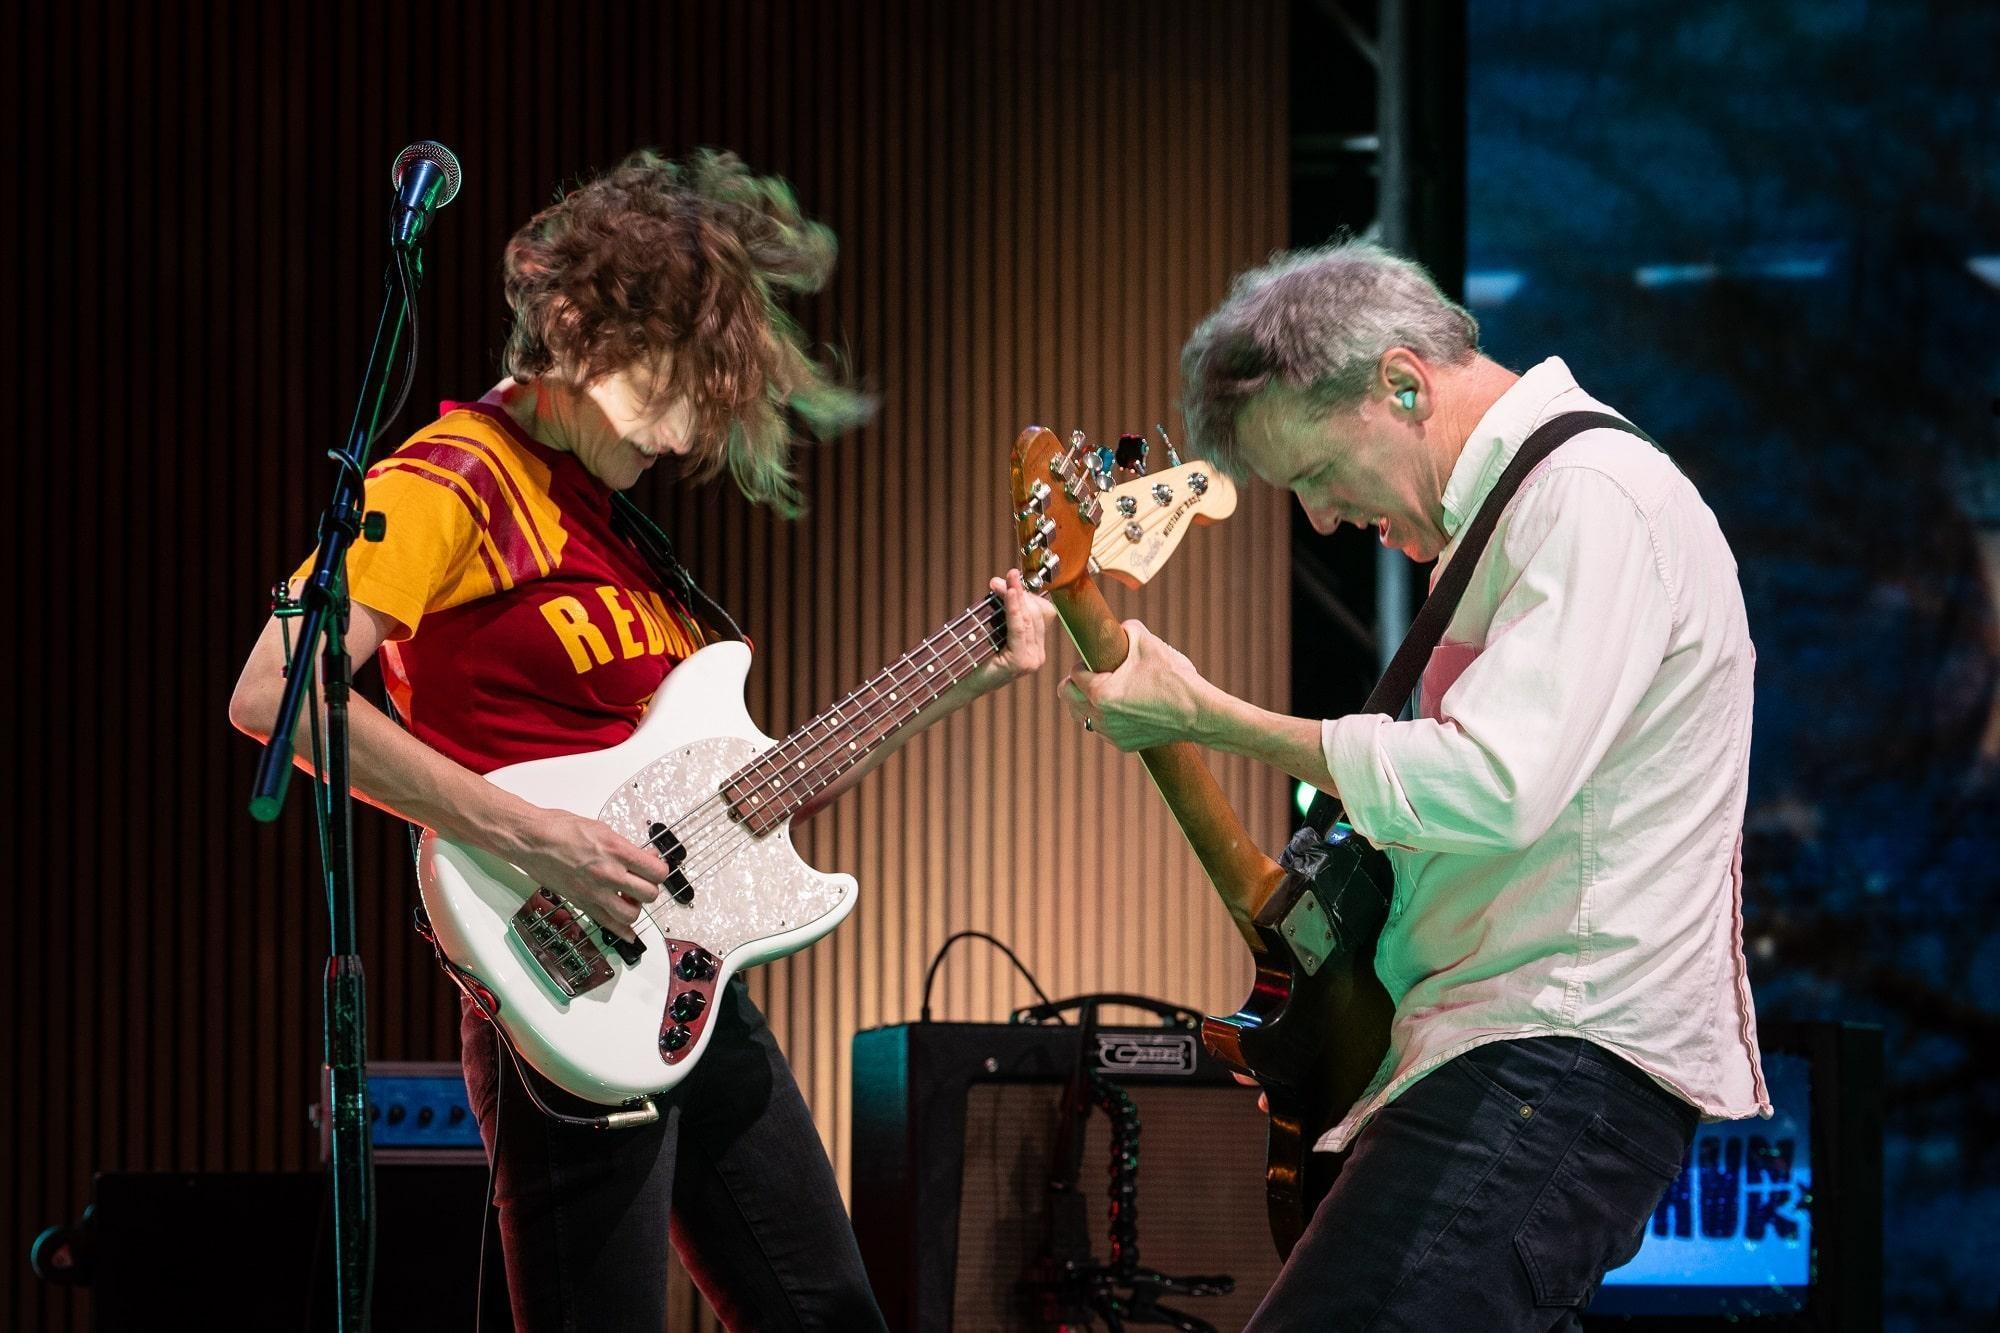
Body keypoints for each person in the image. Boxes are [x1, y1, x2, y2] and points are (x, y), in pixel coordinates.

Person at [230, 148, 1054, 1331]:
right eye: (667, 395)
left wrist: (967, 674)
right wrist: (535, 835)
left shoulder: (618, 534)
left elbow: (740, 794)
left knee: (830, 1315)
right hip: (556, 987)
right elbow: (276, 689)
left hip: (687, 973)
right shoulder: (457, 477)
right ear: (578, 333)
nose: (675, 440)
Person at [1061, 240, 1769, 1330]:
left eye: (1312, 474)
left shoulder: (1587, 497)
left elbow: (1495, 783)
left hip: (1550, 1059)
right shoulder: (1510, 524)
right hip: (1514, 1058)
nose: (1322, 520)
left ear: (1402, 382)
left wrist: (1208, 717)